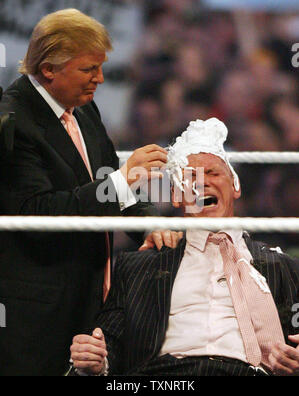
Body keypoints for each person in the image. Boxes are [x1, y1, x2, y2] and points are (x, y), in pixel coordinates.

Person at [0, 9, 181, 376]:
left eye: (100, 67)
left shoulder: (83, 110)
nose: (99, 78)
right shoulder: (13, 121)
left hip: (91, 297)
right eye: (88, 69)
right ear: (49, 69)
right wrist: (120, 180)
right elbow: (37, 214)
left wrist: (148, 224)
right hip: (37, 312)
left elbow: (109, 180)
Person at [71, 118, 299, 376]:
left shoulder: (285, 267)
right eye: (191, 177)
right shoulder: (140, 266)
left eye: (213, 173)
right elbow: (108, 343)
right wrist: (96, 360)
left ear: (235, 186)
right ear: (176, 195)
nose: (202, 183)